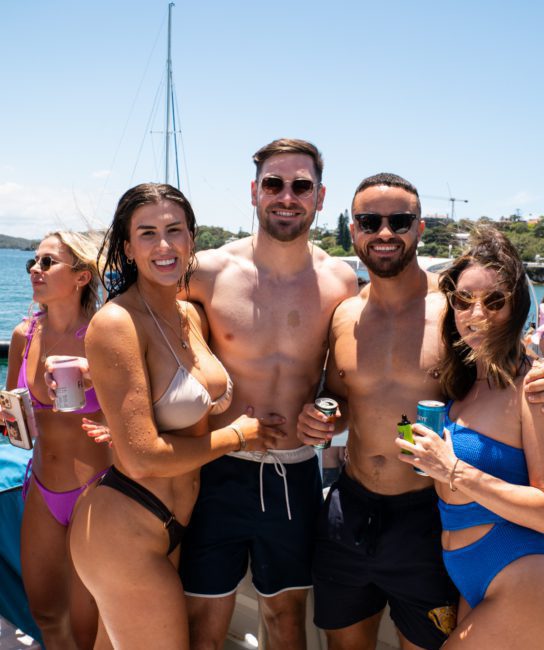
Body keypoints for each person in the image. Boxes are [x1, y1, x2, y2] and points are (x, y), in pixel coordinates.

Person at [297, 173, 544, 650]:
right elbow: (343, 402)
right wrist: (326, 419)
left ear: (420, 227)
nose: (385, 232)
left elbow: (511, 360)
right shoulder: (344, 314)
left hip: (426, 518)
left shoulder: (450, 307)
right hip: (349, 509)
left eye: (400, 221)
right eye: (370, 221)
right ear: (353, 230)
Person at [68, 183, 285, 650]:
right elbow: (143, 457)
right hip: (123, 527)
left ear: (192, 239)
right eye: (147, 233)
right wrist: (239, 438)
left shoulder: (189, 315)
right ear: (127, 247)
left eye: (174, 230)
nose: (163, 245)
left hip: (172, 524)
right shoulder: (116, 322)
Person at [177, 139, 359, 650]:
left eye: (301, 186)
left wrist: (331, 418)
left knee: (285, 618)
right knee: (203, 621)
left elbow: (340, 388)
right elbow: (146, 337)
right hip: (215, 468)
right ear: (254, 192)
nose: (287, 196)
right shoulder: (207, 271)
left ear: (320, 197)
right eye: (274, 184)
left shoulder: (340, 280)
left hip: (295, 470)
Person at [396, 227, 544, 649]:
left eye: (494, 301)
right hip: (471, 576)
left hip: (523, 577)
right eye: (464, 299)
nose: (475, 313)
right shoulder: (466, 382)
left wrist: (452, 468)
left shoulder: (536, 386)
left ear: (516, 308)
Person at [3, 231, 109, 649]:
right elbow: (13, 409)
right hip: (42, 487)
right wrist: (10, 419)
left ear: (82, 276)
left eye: (48, 263)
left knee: (87, 625)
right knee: (46, 612)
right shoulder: (23, 334)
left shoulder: (106, 334)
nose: (34, 269)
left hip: (97, 492)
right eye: (34, 261)